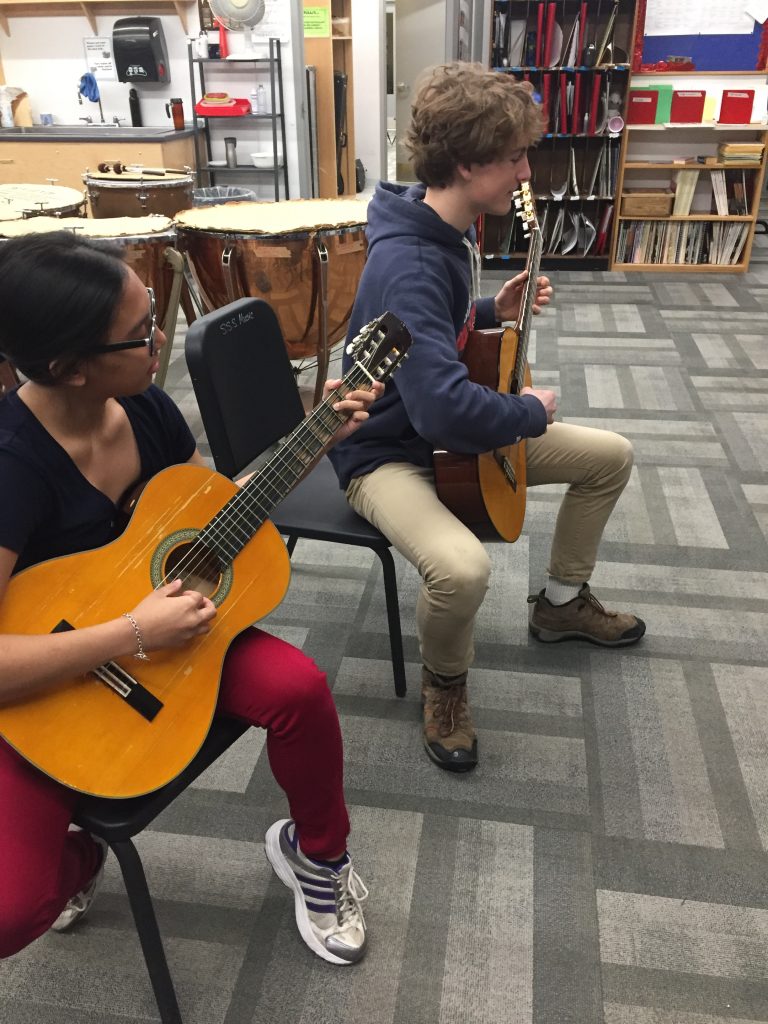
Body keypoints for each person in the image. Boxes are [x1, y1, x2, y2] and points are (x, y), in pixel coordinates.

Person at [0, 231, 382, 967]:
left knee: (299, 689)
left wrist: (312, 442)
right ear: (67, 367)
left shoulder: (144, 410)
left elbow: (200, 520)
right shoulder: (12, 467)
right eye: (142, 333)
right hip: (45, 687)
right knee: (12, 910)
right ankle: (77, 862)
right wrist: (131, 631)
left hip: (156, 636)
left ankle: (318, 855)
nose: (162, 341)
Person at [329, 63, 645, 774]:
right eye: (513, 158)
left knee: (610, 455)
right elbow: (444, 413)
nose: (526, 170)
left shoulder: (443, 223)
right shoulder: (412, 259)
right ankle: (445, 685)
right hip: (386, 453)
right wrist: (526, 413)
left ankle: (562, 602)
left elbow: (423, 337)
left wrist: (485, 313)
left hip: (437, 434)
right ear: (468, 164)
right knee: (462, 570)